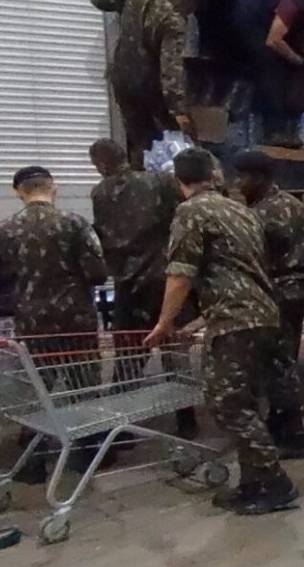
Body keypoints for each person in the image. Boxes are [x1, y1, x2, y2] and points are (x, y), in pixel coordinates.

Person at [145, 148, 300, 515]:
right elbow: (237, 272)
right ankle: (252, 482)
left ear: (177, 181)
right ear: (213, 175)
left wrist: (165, 323)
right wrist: (199, 322)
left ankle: (275, 482)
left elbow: (181, 273)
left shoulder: (191, 211)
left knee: (227, 404)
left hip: (236, 320)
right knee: (244, 400)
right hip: (261, 314)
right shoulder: (240, 210)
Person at [0, 167, 108, 483]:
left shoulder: (6, 230)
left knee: (37, 389)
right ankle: (87, 455)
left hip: (31, 322)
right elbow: (98, 273)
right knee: (83, 386)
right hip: (76, 320)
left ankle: (34, 462)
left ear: (18, 192)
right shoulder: (74, 224)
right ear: (54, 188)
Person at [89, 139, 198, 438]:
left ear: (99, 165)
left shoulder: (99, 193)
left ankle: (122, 426)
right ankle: (186, 420)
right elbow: (180, 217)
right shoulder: (159, 182)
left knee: (129, 353)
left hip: (128, 283)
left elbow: (104, 237)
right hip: (163, 278)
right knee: (175, 350)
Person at [232, 150, 304, 459]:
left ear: (260, 177)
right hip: (294, 289)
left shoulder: (262, 213)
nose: (238, 185)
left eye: (243, 177)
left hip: (277, 290)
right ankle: (282, 424)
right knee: (283, 361)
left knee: (276, 365)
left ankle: (291, 434)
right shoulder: (291, 203)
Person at [232, 0, 304, 145]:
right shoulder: (292, 5)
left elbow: (300, 38)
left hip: (272, 25)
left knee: (290, 69)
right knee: (272, 68)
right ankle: (273, 131)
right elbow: (274, 41)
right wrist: (300, 61)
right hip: (251, 20)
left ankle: (289, 128)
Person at [108, 0, 198, 167]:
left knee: (142, 147)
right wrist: (179, 111)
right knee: (173, 151)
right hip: (149, 87)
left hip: (123, 82)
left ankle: (141, 184)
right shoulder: (172, 19)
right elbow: (170, 69)